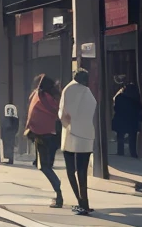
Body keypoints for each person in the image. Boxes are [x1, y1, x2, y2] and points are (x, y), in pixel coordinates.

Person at [60, 69, 97, 216]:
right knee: (82, 170)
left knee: (71, 170)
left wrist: (68, 124)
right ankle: (85, 202)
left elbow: (64, 113)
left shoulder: (68, 89)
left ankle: (81, 202)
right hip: (87, 133)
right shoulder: (87, 92)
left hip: (71, 133)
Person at [24, 74, 63, 207]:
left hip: (41, 135)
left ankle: (59, 193)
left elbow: (32, 114)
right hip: (53, 135)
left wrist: (29, 129)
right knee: (47, 165)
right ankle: (58, 192)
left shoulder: (39, 97)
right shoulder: (54, 98)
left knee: (44, 166)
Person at [112, 80, 142, 159]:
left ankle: (120, 151)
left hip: (121, 119)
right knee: (132, 137)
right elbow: (139, 109)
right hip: (133, 120)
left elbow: (116, 108)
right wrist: (140, 119)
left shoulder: (119, 97)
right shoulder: (136, 97)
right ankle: (133, 153)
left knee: (120, 136)